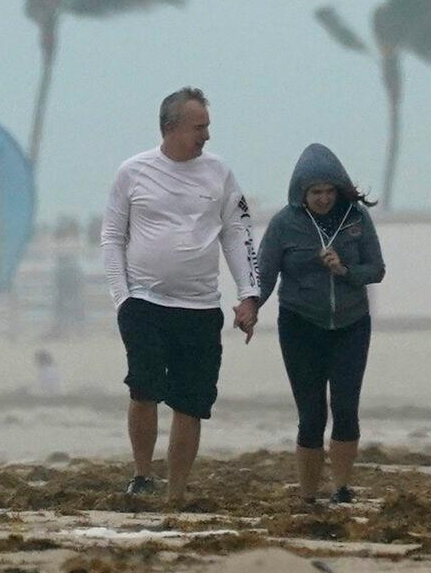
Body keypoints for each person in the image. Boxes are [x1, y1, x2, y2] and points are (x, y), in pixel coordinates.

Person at [101, 86, 260, 503]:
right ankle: (141, 474)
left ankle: (176, 491)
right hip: (144, 302)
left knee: (191, 401)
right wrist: (123, 297)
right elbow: (112, 237)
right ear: (171, 128)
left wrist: (249, 295)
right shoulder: (132, 172)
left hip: (201, 306)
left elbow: (238, 232)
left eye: (207, 127)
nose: (206, 135)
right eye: (199, 127)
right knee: (145, 388)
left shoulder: (220, 173)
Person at [252, 143, 385, 505]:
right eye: (315, 192)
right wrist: (251, 307)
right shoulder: (284, 224)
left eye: (329, 191)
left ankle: (341, 487)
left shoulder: (356, 219)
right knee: (311, 414)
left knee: (345, 408)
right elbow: (265, 275)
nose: (324, 199)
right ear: (301, 193)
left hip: (351, 324)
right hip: (300, 325)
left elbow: (377, 269)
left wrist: (344, 270)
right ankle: (308, 495)